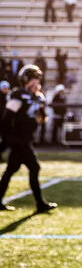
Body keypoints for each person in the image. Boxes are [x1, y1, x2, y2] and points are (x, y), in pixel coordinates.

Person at [0, 65, 57, 212]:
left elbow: (41, 118)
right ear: (27, 80)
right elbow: (7, 119)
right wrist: (8, 139)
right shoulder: (19, 95)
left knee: (11, 169)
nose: (37, 83)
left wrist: (41, 113)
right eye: (34, 79)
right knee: (34, 167)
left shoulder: (36, 96)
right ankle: (40, 204)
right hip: (18, 139)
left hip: (26, 138)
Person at [0, 81, 10, 161]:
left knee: (6, 140)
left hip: (4, 123)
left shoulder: (8, 97)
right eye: (4, 88)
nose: (5, 90)